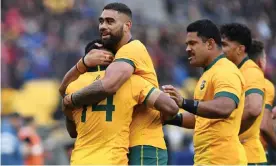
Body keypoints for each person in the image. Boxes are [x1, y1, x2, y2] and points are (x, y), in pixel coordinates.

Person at [61, 2, 172, 164]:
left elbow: (105, 86)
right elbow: (171, 107)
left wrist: (69, 100)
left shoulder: (131, 50)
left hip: (141, 143)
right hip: (123, 150)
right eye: (101, 21)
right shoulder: (131, 81)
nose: (103, 26)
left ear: (127, 26)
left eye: (110, 21)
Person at [163, 19, 247, 165]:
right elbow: (201, 118)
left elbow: (225, 107)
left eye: (192, 43)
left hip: (223, 160)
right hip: (208, 160)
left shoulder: (225, 70)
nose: (187, 49)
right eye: (186, 44)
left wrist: (183, 102)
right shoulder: (208, 74)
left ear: (210, 44)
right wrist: (170, 119)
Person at [220, 23, 267, 165]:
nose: (221, 50)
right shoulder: (232, 72)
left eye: (225, 45)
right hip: (235, 155)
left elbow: (253, 109)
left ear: (240, 49)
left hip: (250, 157)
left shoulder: (251, 72)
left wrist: (228, 133)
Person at [247, 39, 276, 163]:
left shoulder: (233, 81)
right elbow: (264, 126)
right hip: (254, 155)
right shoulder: (265, 85)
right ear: (260, 62)